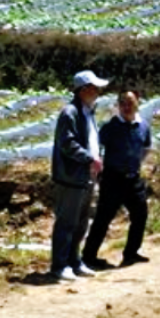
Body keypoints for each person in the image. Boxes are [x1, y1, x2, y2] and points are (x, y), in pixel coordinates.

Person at [82, 90, 152, 270]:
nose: (127, 107)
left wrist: (135, 164)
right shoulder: (110, 127)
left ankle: (131, 253)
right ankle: (89, 256)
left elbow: (146, 148)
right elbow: (96, 147)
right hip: (113, 178)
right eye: (123, 103)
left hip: (133, 178)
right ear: (118, 106)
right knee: (103, 218)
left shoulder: (143, 126)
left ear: (138, 103)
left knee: (140, 214)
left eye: (130, 102)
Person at [49, 70, 108, 282]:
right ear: (83, 90)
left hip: (87, 175)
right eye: (94, 88)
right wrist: (88, 159)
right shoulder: (70, 113)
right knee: (66, 222)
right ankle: (59, 265)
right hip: (71, 176)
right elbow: (67, 143)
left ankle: (74, 261)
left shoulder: (88, 112)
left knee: (82, 222)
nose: (98, 91)